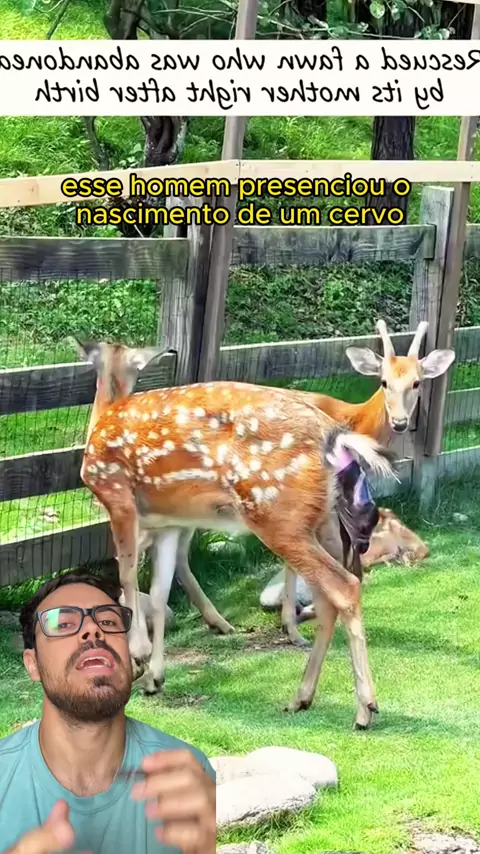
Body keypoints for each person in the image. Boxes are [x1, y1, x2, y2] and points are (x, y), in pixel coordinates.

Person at [0, 570, 216, 854]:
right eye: (63, 624)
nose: (93, 630)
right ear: (33, 665)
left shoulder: (188, 778)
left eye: (108, 621)